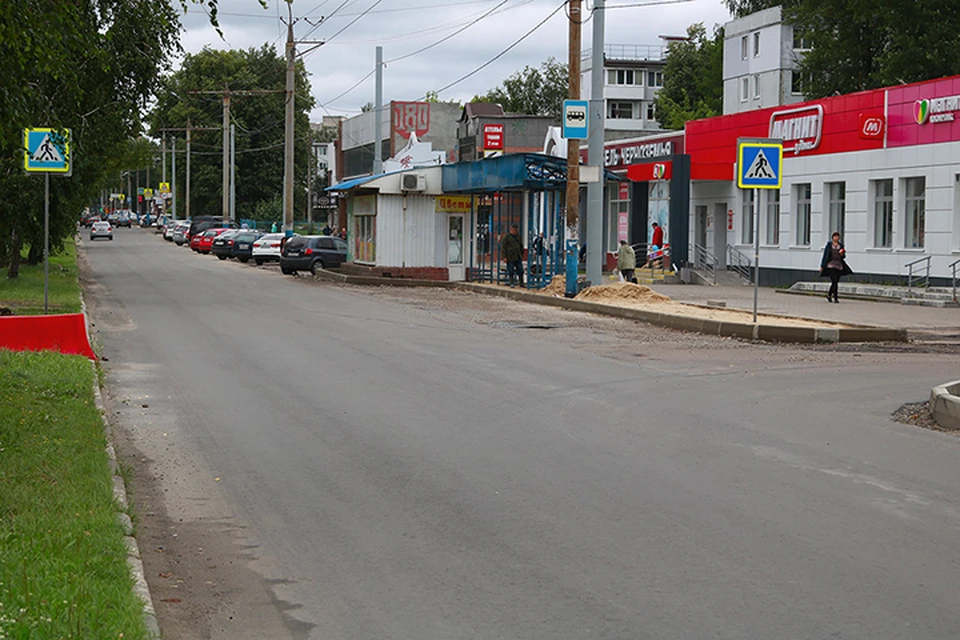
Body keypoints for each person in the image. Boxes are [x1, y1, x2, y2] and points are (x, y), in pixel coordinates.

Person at [820, 231, 853, 303]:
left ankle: (829, 295)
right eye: (835, 236)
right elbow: (825, 255)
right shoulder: (829, 245)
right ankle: (835, 297)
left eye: (837, 236)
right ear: (832, 237)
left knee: (835, 282)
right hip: (831, 265)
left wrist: (842, 254)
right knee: (834, 281)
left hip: (839, 265)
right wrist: (822, 266)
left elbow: (844, 256)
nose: (836, 238)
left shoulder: (841, 246)